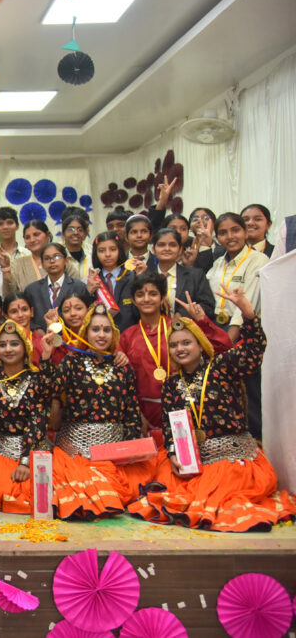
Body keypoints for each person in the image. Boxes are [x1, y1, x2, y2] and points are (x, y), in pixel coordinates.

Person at [129, 289, 296, 531]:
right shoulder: (172, 384)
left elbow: (253, 351)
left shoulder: (222, 367)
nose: (180, 349)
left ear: (200, 344)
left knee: (219, 500)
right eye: (174, 345)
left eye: (187, 343)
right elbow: (170, 425)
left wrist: (248, 314)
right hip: (195, 460)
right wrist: (173, 453)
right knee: (163, 492)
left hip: (232, 459)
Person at [47, 304, 154, 519]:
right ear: (85, 333)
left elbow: (131, 411)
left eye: (106, 330)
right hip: (73, 450)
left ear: (114, 335)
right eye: (95, 329)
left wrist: (130, 451)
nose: (101, 335)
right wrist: (46, 357)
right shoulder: (71, 362)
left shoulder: (122, 366)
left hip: (111, 451)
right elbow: (49, 389)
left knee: (120, 488)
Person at [119, 273, 231, 431]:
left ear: (163, 297)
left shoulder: (179, 329)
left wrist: (202, 321)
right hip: (142, 412)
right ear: (133, 300)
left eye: (153, 294)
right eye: (140, 295)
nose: (146, 299)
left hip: (183, 406)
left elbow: (223, 348)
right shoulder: (127, 337)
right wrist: (136, 414)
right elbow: (123, 382)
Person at [0, 321, 54, 514]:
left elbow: (37, 421)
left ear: (25, 348)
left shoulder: (36, 378)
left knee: (37, 494)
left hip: (32, 449)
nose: (8, 349)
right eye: (2, 345)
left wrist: (25, 461)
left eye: (14, 344)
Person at [208, 213, 268, 339]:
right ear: (217, 238)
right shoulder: (218, 263)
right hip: (215, 326)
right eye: (223, 233)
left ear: (245, 233)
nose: (230, 237)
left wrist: (229, 341)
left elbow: (248, 303)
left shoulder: (258, 260)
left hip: (243, 329)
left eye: (235, 230)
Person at [144, 228, 215, 317]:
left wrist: (182, 314)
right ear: (153, 249)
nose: (167, 249)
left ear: (180, 249)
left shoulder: (195, 275)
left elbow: (208, 306)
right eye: (161, 245)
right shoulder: (144, 277)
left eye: (172, 245)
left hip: (186, 324)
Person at [0, 220, 79, 296]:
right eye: (27, 237)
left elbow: (77, 289)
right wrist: (6, 269)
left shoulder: (60, 260)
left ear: (48, 236)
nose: (32, 240)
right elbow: (10, 296)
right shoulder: (18, 264)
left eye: (36, 235)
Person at [23, 243, 90, 330]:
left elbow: (87, 315)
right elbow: (27, 317)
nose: (52, 261)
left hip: (71, 336)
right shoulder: (32, 290)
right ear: (42, 264)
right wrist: (37, 329)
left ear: (66, 260)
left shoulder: (79, 287)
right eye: (47, 258)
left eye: (57, 257)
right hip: (42, 335)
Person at [89, 231, 138, 331]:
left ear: (120, 251)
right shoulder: (92, 279)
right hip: (102, 334)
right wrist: (88, 292)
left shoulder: (133, 277)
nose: (107, 254)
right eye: (102, 251)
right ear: (95, 254)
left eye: (113, 249)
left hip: (130, 333)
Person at [3, 292, 45, 366]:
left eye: (24, 309)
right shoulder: (2, 343)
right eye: (14, 311)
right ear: (6, 316)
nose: (20, 315)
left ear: (31, 312)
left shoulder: (42, 342)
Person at [189, 207, 224, 273]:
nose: (200, 221)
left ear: (214, 225)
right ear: (190, 227)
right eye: (195, 219)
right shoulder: (186, 249)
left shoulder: (223, 250)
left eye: (205, 218)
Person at [62, 212, 93, 277]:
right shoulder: (57, 252)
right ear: (63, 234)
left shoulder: (92, 252)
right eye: (71, 229)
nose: (76, 232)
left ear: (85, 234)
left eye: (80, 230)